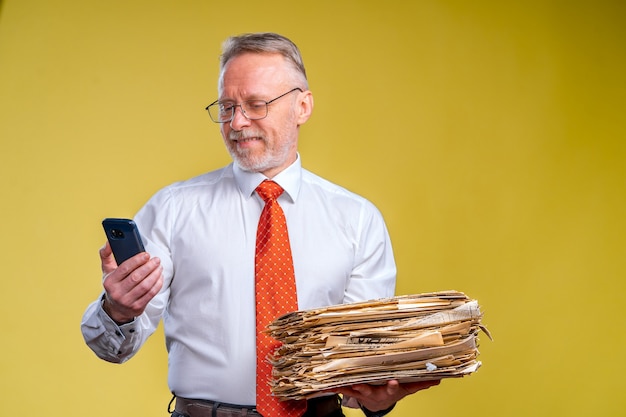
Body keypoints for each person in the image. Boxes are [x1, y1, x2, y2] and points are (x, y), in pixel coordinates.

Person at [81, 32, 439, 417]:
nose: (237, 122)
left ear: (302, 106)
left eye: (256, 104)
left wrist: (377, 399)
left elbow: (359, 366)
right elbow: (113, 348)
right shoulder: (173, 208)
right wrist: (118, 310)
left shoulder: (357, 220)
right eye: (227, 105)